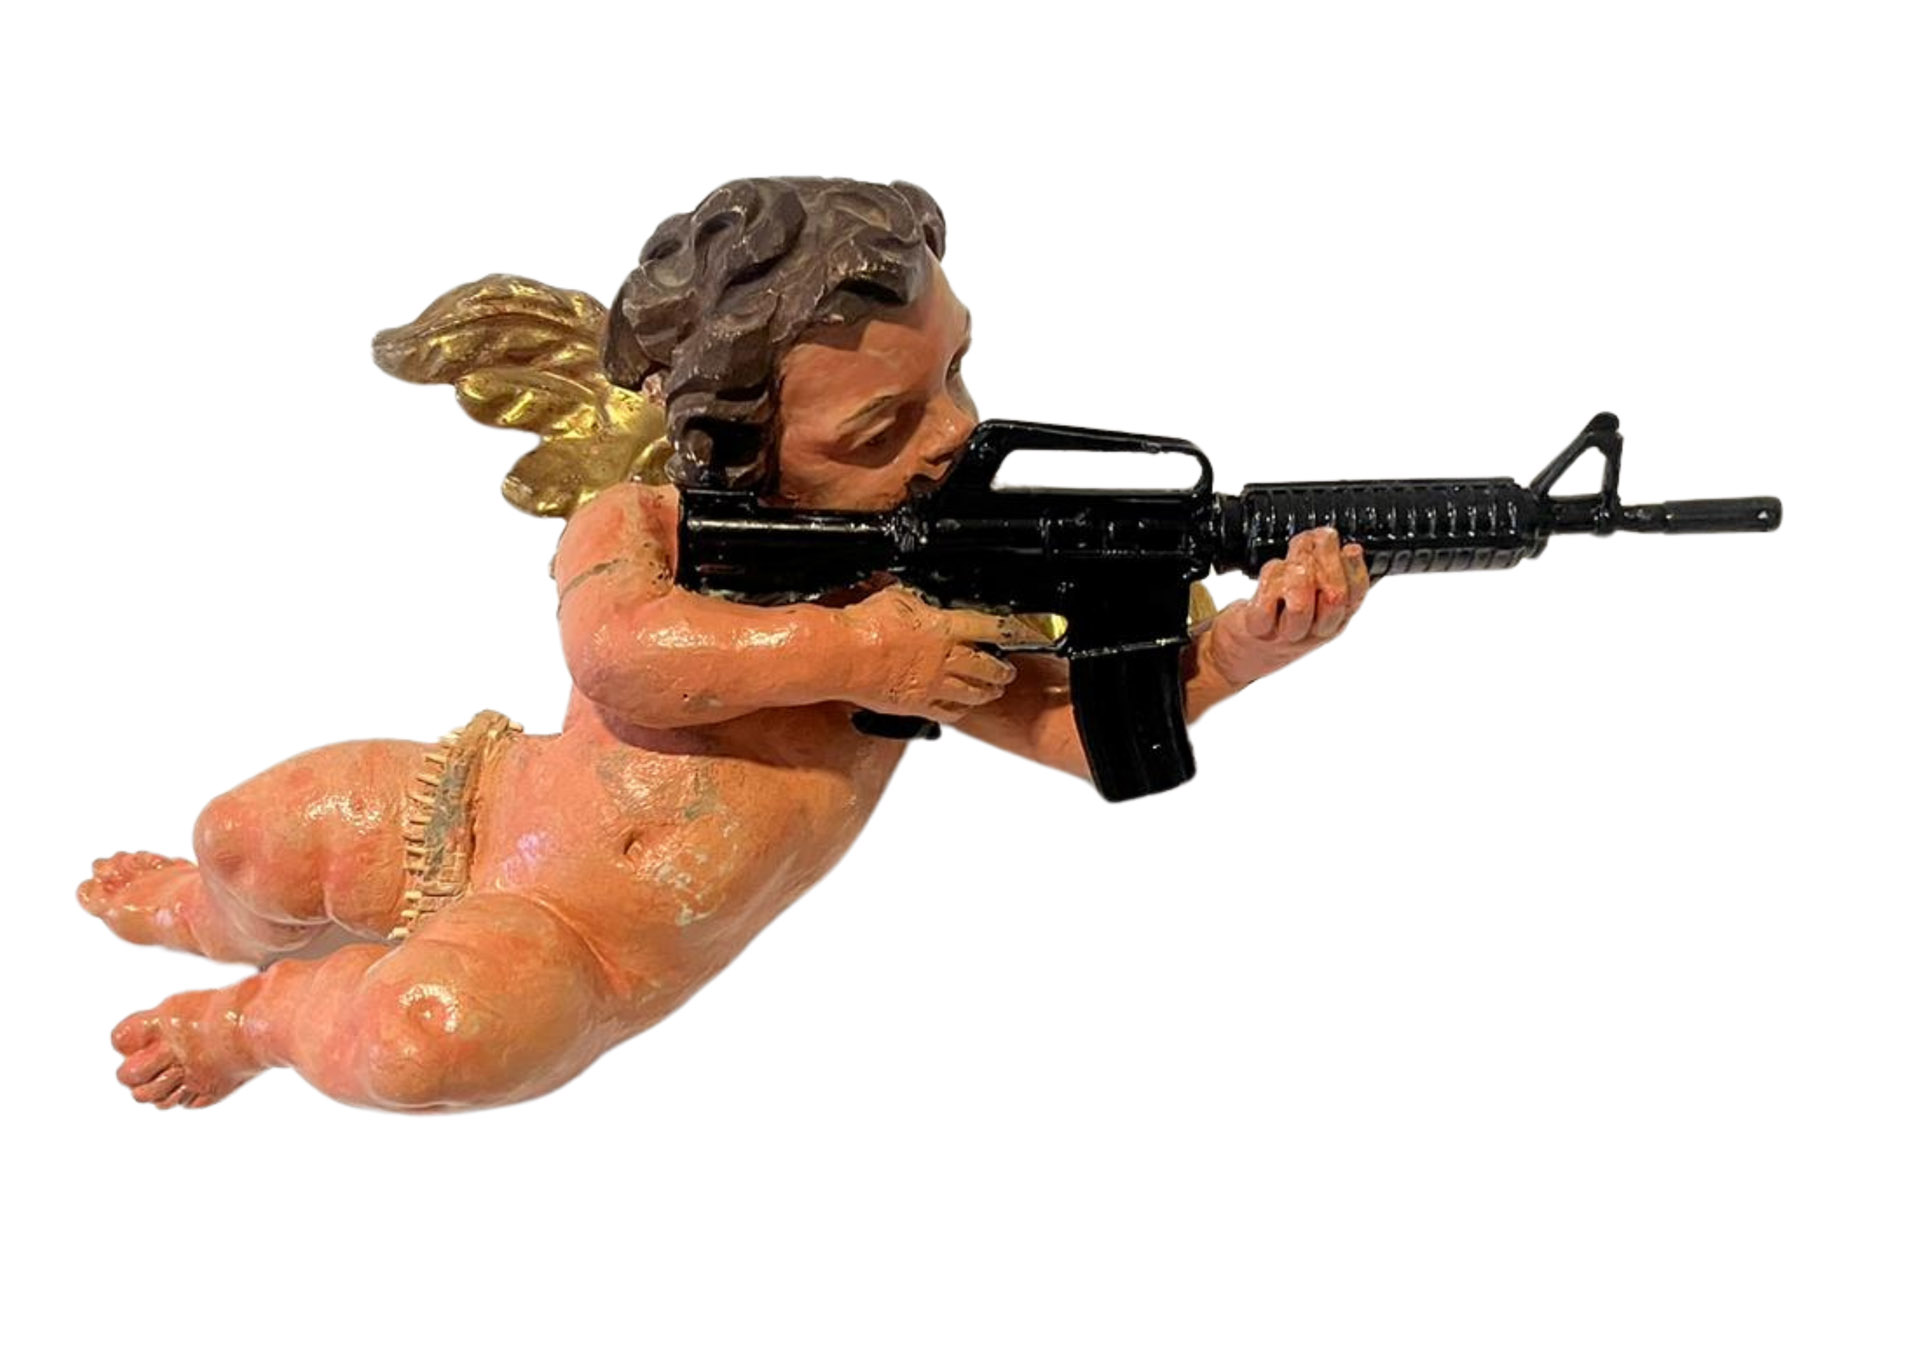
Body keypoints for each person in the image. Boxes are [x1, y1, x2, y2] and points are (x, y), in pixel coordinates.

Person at [79, 178, 1369, 1111]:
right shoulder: (648, 523)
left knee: (430, 1039)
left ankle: (259, 1019)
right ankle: (205, 917)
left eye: (957, 375)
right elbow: (623, 654)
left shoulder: (930, 582)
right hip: (477, 806)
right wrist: (856, 659)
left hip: (582, 944)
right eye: (881, 428)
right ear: (725, 442)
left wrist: (1243, 651)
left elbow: (1074, 734)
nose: (952, 435)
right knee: (244, 837)